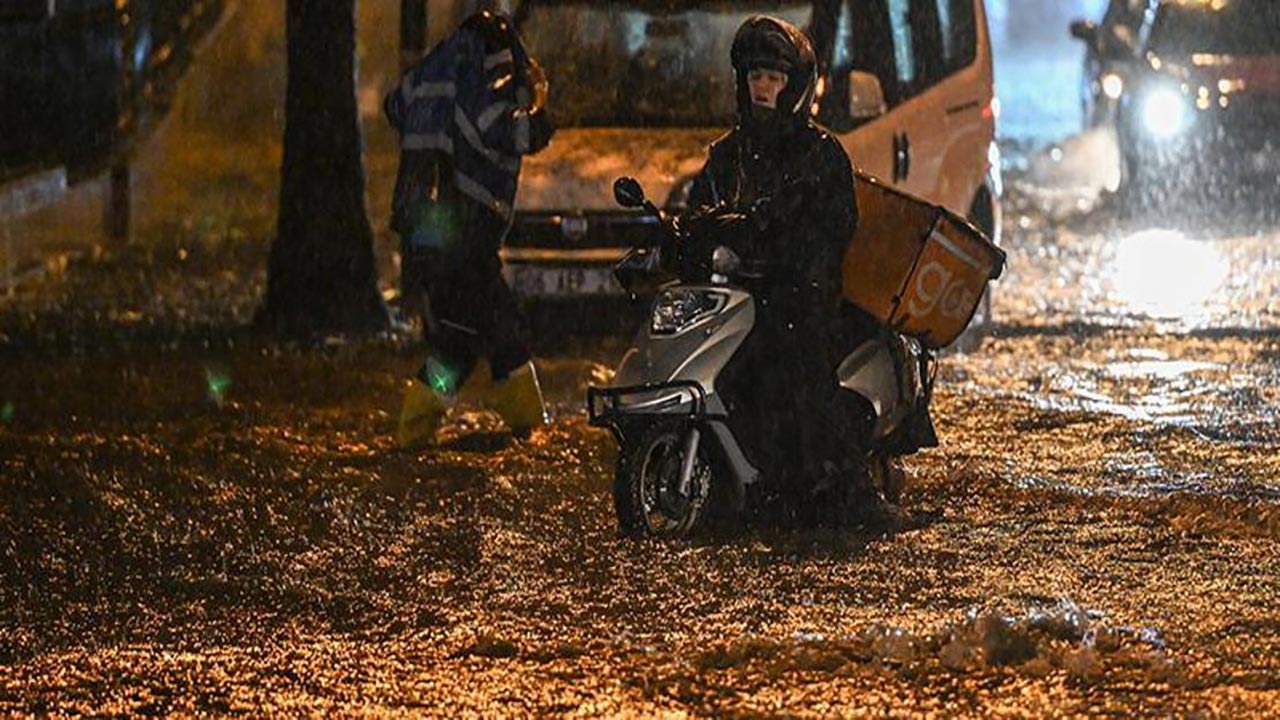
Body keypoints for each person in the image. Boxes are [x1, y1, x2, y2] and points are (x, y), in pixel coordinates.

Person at [678, 15, 879, 514]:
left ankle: (848, 493)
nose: (763, 88)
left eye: (773, 78)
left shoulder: (821, 154)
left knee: (800, 380)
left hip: (797, 299)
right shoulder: (728, 154)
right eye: (755, 77)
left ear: (795, 87)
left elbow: (832, 230)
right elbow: (700, 214)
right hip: (735, 298)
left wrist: (780, 237)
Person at [384, 11, 555, 448]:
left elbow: (394, 105)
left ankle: (418, 435)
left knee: (469, 339)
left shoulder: (435, 81)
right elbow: (502, 128)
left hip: (428, 235)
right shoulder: (480, 84)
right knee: (486, 337)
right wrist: (539, 121)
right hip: (467, 237)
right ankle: (529, 436)